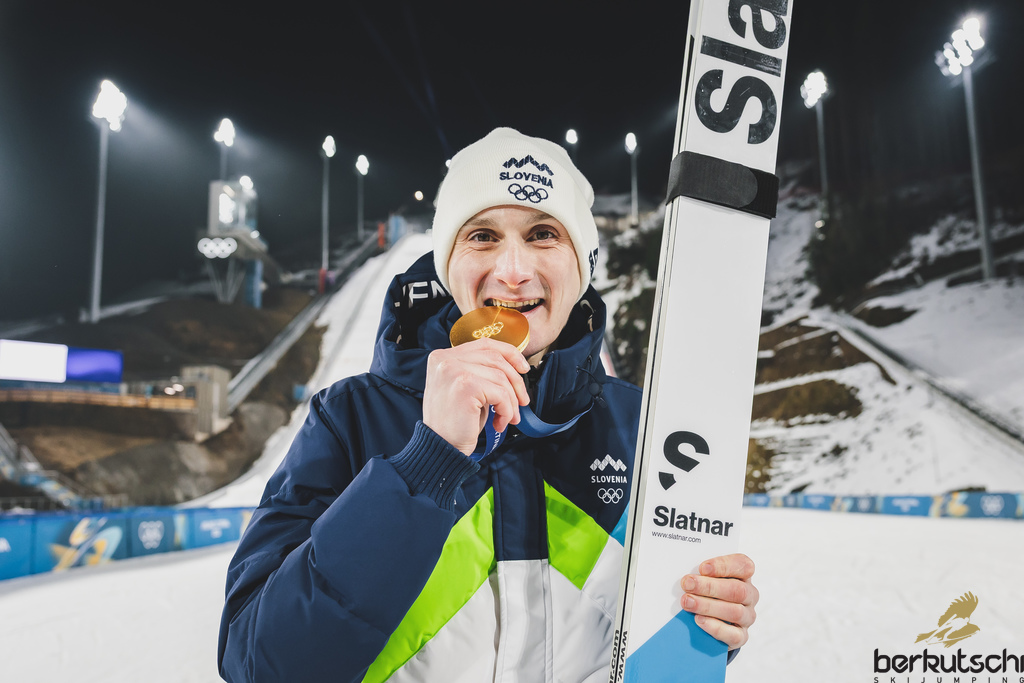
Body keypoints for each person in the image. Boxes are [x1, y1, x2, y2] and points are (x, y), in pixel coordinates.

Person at [218, 127, 758, 683]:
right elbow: (259, 664)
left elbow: (665, 641)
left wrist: (701, 623)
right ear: (447, 264)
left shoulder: (643, 426)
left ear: (582, 265)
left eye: (544, 233)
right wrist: (426, 461)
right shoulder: (349, 417)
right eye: (482, 236)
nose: (513, 270)